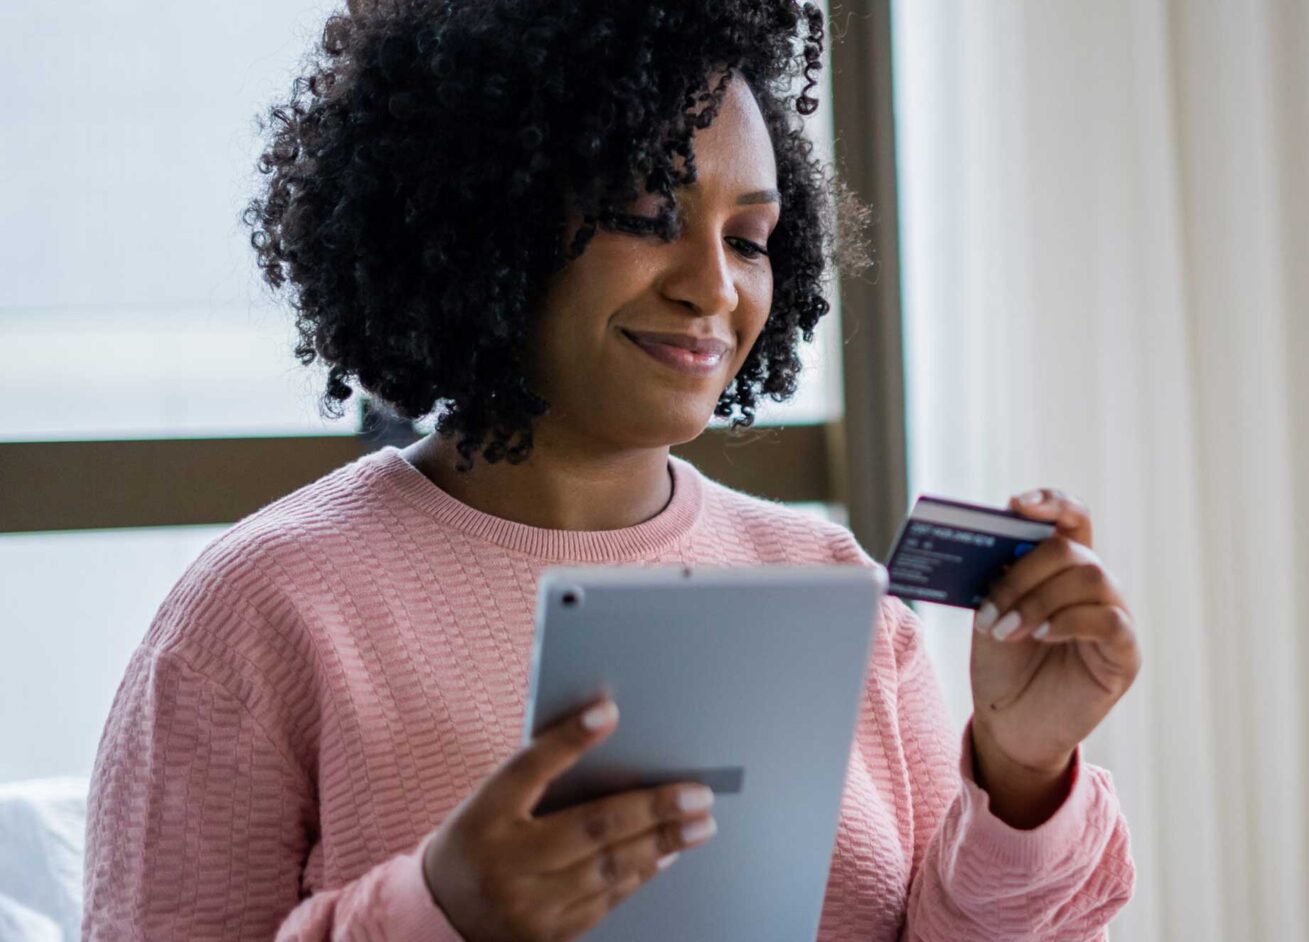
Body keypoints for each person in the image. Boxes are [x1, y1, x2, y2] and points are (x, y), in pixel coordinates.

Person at [80, 1, 1139, 938]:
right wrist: (437, 916)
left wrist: (1018, 777)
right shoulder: (261, 611)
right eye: (644, 218)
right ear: (485, 217)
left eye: (751, 237)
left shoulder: (826, 584)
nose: (714, 289)